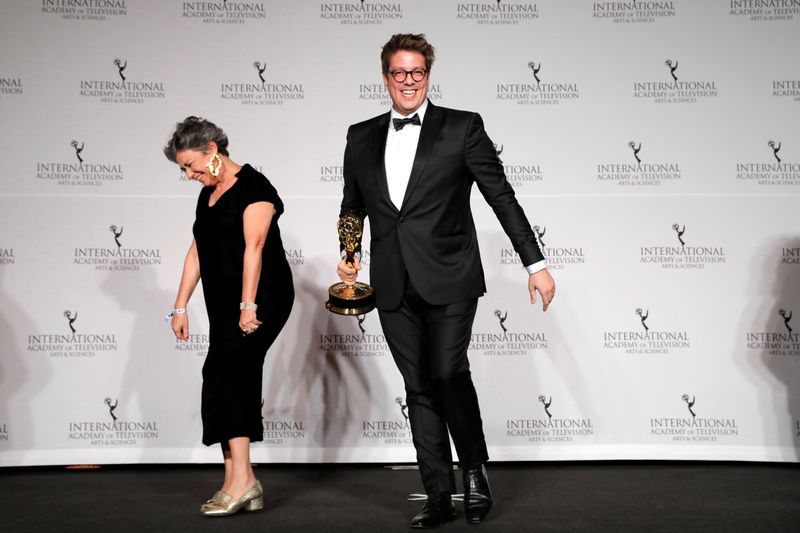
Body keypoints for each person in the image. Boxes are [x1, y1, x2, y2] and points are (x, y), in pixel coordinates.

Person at [336, 34, 555, 528]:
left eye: (417, 73)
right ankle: (437, 494)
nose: (409, 81)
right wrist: (349, 254)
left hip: (451, 276)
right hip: (392, 281)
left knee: (447, 372)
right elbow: (352, 205)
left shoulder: (462, 128)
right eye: (399, 73)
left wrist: (535, 264)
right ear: (386, 77)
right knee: (417, 387)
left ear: (428, 76)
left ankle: (474, 471)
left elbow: (501, 195)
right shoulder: (360, 135)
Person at [164, 116, 294, 517]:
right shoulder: (208, 193)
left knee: (230, 373)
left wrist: (248, 306)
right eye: (183, 169)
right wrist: (180, 305)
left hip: (262, 297)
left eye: (191, 165)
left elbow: (254, 249)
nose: (188, 174)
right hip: (222, 301)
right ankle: (239, 479)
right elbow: (198, 250)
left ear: (213, 151)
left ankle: (242, 482)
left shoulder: (255, 188)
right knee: (222, 375)